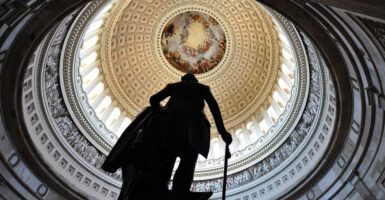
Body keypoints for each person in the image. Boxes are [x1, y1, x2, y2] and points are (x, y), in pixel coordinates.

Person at [149, 73, 232, 192]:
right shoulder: (202, 88)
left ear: (183, 79)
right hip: (195, 128)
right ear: (195, 81)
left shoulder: (174, 86)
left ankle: (161, 189)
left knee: (166, 163)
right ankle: (180, 193)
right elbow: (214, 107)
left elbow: (153, 99)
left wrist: (162, 111)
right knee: (187, 165)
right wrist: (222, 132)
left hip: (171, 125)